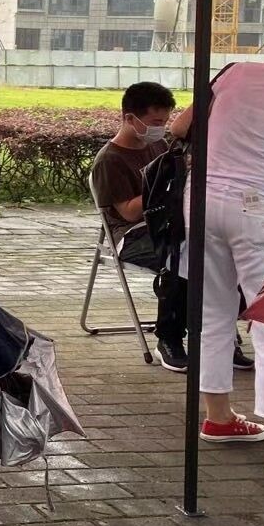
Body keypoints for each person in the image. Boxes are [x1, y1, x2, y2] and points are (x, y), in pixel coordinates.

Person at [170, 32, 264, 473]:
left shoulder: (235, 73)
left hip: (202, 201)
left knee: (211, 313)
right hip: (261, 210)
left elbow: (179, 128)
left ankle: (218, 417)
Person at [91, 82, 190, 371]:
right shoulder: (109, 161)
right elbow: (128, 212)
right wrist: (167, 186)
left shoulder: (158, 146)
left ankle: (219, 337)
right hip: (131, 235)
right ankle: (168, 338)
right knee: (180, 257)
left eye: (165, 121)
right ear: (130, 118)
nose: (161, 128)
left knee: (213, 250)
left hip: (167, 224)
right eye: (155, 122)